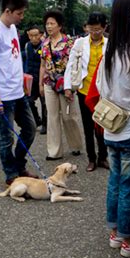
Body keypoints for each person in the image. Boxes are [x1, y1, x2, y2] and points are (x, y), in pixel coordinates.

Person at [96, 0, 130, 256]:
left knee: (115, 182)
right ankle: (129, 240)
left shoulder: (109, 50)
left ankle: (116, 233)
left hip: (110, 129)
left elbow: (98, 86)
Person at [0, 0, 37, 185]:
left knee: (30, 129)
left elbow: (12, 59)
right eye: (19, 13)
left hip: (18, 91)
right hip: (3, 96)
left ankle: (19, 164)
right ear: (7, 10)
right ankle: (11, 175)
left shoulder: (12, 28)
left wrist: (22, 82)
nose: (22, 17)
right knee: (6, 139)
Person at [65, 12, 109, 172]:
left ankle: (103, 157)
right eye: (92, 29)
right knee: (88, 126)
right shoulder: (80, 43)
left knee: (103, 126)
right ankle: (92, 159)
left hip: (103, 91)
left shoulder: (109, 43)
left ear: (104, 27)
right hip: (85, 89)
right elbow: (71, 65)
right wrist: (68, 87)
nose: (95, 33)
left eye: (98, 30)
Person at [39, 9, 82, 160]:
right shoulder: (44, 44)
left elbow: (75, 65)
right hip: (49, 83)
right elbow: (43, 65)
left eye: (52, 23)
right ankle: (54, 152)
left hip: (66, 85)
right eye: (47, 24)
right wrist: (40, 85)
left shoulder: (69, 43)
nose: (49, 26)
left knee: (69, 116)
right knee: (52, 117)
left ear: (59, 25)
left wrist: (71, 86)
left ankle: (75, 145)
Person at [24, 24, 47, 134]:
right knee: (28, 101)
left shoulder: (45, 46)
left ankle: (45, 124)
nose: (33, 38)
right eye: (31, 35)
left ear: (41, 35)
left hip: (42, 79)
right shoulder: (27, 46)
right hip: (30, 79)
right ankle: (37, 119)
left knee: (44, 103)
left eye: (36, 35)